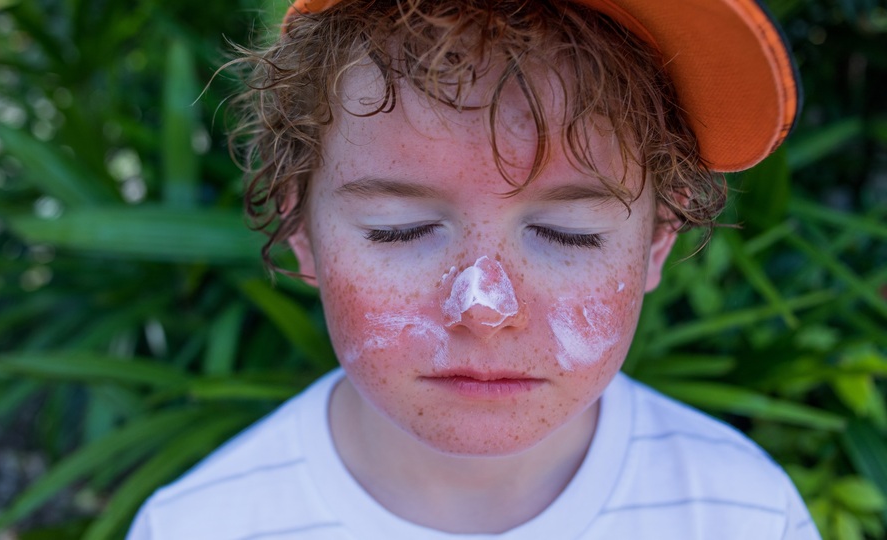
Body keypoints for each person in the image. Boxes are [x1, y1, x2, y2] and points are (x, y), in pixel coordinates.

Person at [128, 0, 819, 538]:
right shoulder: (197, 527)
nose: (484, 304)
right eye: (399, 230)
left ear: (658, 242)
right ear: (301, 231)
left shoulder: (745, 515)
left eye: (566, 233)